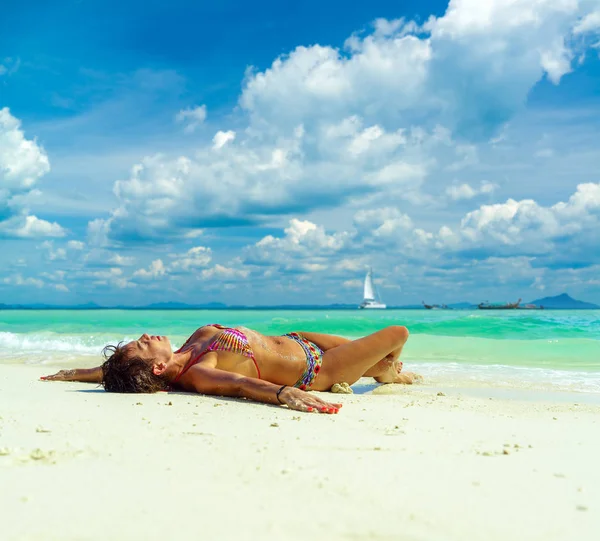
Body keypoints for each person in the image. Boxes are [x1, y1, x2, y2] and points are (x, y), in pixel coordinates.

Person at [42, 324, 419, 414]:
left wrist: (75, 373)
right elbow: (240, 384)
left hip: (300, 337)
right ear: (157, 369)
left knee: (387, 356)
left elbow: (119, 372)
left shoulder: (192, 342)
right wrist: (284, 394)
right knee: (397, 335)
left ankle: (384, 371)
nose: (144, 335)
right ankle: (385, 374)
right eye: (141, 345)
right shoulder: (200, 373)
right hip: (320, 367)